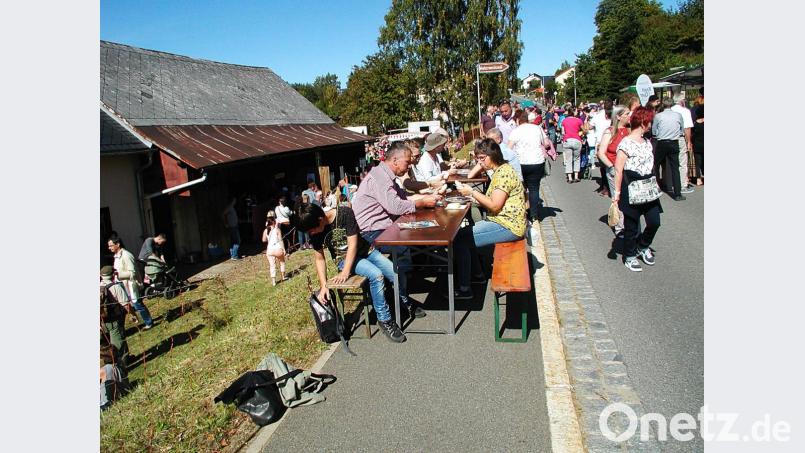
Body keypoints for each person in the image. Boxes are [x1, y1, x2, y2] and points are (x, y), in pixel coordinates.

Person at [351, 141, 441, 331]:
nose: (410, 166)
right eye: (407, 162)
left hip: (383, 226)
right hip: (371, 232)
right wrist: (422, 202)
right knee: (404, 248)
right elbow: (395, 206)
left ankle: (402, 293)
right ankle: (401, 296)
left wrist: (426, 198)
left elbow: (402, 199)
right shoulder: (380, 178)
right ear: (394, 160)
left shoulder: (385, 175)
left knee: (411, 242)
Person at [298, 203, 407, 343]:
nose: (311, 234)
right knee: (377, 275)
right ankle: (385, 319)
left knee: (395, 273)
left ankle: (404, 302)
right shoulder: (314, 232)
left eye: (312, 230)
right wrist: (324, 285)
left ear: (320, 219)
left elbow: (353, 245)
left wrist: (345, 273)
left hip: (365, 251)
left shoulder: (344, 213)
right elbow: (319, 259)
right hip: (343, 259)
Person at [452, 139, 527, 299]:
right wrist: (474, 199)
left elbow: (494, 206)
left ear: (492, 155)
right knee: (465, 235)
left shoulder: (503, 174)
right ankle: (477, 275)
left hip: (508, 225)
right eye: (477, 158)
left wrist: (472, 192)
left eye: (482, 158)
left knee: (459, 239)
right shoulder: (501, 170)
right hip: (506, 221)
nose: (479, 163)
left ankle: (465, 288)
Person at [612, 106, 663, 272]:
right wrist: (617, 193)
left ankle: (642, 246)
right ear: (643, 122)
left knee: (654, 221)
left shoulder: (647, 141)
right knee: (632, 226)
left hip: (648, 187)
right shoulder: (626, 143)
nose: (651, 125)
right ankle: (630, 255)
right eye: (650, 121)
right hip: (632, 187)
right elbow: (619, 169)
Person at [507, 112, 549, 221]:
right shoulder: (537, 128)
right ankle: (534, 215)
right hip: (537, 161)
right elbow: (546, 144)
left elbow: (509, 148)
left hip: (521, 162)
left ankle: (522, 212)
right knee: (534, 189)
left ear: (518, 120)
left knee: (521, 188)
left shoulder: (516, 131)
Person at [597, 104, 631, 237]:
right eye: (626, 114)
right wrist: (610, 166)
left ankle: (629, 223)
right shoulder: (610, 131)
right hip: (614, 170)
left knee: (629, 198)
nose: (629, 116)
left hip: (628, 169)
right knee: (618, 197)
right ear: (618, 116)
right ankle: (620, 227)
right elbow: (601, 152)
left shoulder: (629, 130)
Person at [108, 236, 153, 329]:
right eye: (109, 246)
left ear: (118, 244)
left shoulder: (126, 255)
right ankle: (135, 321)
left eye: (111, 245)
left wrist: (118, 274)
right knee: (125, 304)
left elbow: (132, 273)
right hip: (121, 284)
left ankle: (149, 322)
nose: (109, 248)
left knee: (137, 304)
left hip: (130, 284)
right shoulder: (117, 256)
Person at [652, 98, 686, 201]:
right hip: (674, 142)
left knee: (655, 165)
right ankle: (678, 193)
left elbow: (654, 130)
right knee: (675, 168)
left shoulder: (658, 116)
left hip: (662, 142)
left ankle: (654, 187)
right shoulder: (678, 115)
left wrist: (659, 134)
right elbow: (681, 129)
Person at [100, 265, 130, 375]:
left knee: (107, 345)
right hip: (115, 320)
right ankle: (122, 367)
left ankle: (110, 364)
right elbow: (126, 304)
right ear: (113, 275)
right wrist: (133, 315)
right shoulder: (116, 287)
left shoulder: (99, 287)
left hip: (103, 321)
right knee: (119, 344)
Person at [671, 94, 696, 194]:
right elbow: (687, 127)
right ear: (681, 101)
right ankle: (682, 185)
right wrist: (689, 141)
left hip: (669, 138)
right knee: (682, 161)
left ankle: (671, 183)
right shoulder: (685, 111)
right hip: (680, 137)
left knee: (672, 161)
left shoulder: (670, 109)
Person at [561, 108, 584, 183]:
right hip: (577, 140)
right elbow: (584, 130)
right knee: (577, 158)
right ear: (574, 112)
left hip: (567, 140)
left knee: (568, 159)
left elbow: (563, 132)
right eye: (577, 111)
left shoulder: (564, 120)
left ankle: (570, 177)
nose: (578, 112)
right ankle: (576, 176)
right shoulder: (578, 120)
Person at [262, 217, 286, 286]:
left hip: (269, 250)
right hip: (278, 249)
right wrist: (283, 249)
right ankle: (283, 277)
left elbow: (264, 240)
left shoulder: (266, 230)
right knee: (282, 262)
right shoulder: (277, 230)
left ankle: (273, 282)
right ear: (273, 222)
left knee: (272, 265)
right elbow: (280, 240)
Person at [691, 92, 704, 185]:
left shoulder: (696, 123)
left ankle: (698, 179)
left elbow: (693, 134)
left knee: (697, 162)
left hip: (697, 144)